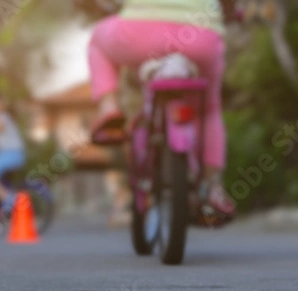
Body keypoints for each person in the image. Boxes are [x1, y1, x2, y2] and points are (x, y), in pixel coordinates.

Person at [87, 0, 237, 219]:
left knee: (97, 43)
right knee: (209, 111)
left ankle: (109, 107)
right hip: (201, 37)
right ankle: (212, 187)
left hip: (139, 33)